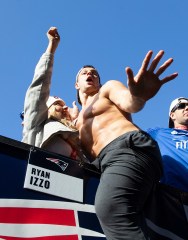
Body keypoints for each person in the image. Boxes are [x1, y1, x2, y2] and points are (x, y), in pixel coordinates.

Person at [74, 51, 178, 239]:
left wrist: (139, 96)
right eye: (84, 73)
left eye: (94, 73)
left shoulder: (107, 89)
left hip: (127, 147)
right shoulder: (76, 122)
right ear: (76, 84)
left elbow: (130, 102)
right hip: (106, 163)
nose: (90, 74)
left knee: (111, 209)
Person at [22, 27, 82, 160]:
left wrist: (78, 121)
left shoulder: (75, 138)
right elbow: (39, 87)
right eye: (58, 105)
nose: (66, 107)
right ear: (46, 110)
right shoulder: (38, 125)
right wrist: (51, 49)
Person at [147, 97, 188, 192]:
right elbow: (129, 132)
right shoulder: (158, 133)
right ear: (172, 115)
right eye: (181, 106)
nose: (186, 108)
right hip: (174, 199)